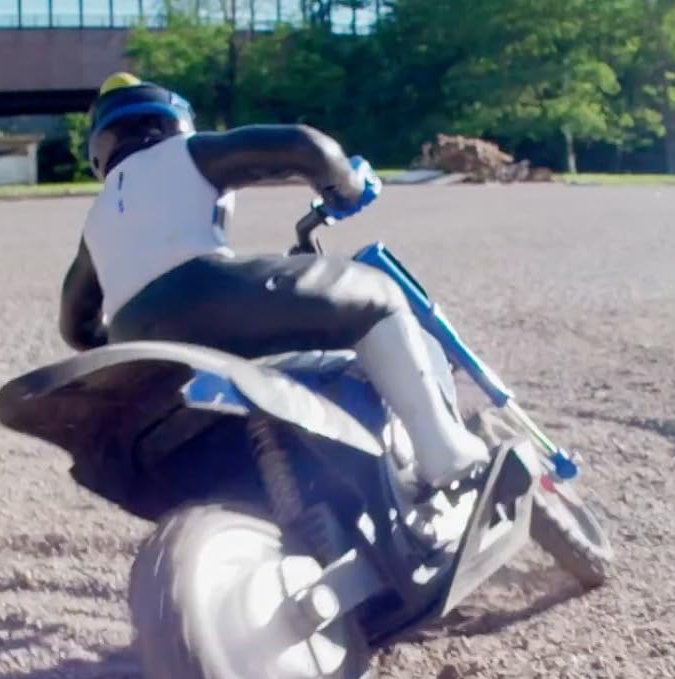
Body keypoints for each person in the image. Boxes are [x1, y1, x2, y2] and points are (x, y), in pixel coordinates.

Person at [57, 72, 490, 493]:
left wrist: (135, 329)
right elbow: (305, 146)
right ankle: (441, 450)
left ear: (100, 147)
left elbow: (75, 328)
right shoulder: (186, 152)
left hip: (138, 341)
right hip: (207, 293)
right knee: (376, 296)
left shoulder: (95, 221)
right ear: (173, 121)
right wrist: (348, 186)